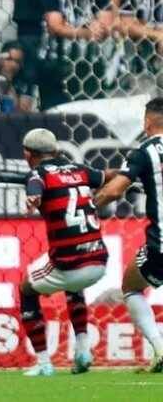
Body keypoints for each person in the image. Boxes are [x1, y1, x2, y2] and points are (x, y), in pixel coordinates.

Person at [20, 128, 116, 376]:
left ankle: (44, 364)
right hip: (99, 261)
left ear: (28, 154)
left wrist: (33, 198)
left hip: (69, 264)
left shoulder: (39, 173)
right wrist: (133, 176)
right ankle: (83, 351)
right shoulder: (80, 170)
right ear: (55, 150)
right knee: (74, 286)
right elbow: (107, 176)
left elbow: (35, 184)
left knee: (26, 289)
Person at [95, 97, 163, 373]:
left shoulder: (145, 151)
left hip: (162, 243)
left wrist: (90, 203)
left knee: (131, 287)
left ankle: (159, 350)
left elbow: (113, 191)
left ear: (147, 122)